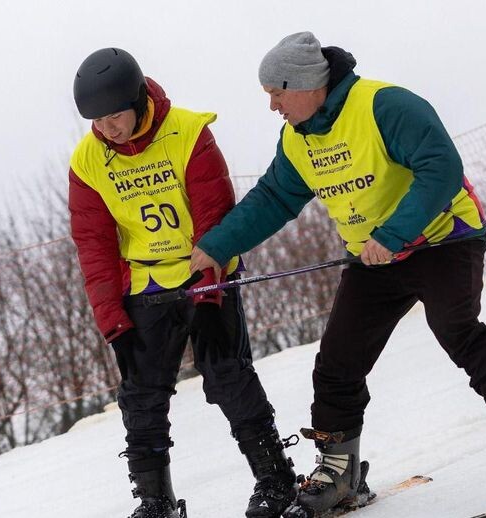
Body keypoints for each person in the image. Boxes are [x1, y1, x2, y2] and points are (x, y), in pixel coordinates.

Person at [190, 32, 486, 515]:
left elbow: (441, 168)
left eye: (276, 92)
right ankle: (339, 472)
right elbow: (273, 199)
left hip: (441, 237)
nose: (273, 105)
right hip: (372, 260)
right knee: (337, 361)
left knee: (456, 328)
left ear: (305, 84)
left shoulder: (384, 105)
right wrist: (215, 248)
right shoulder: (297, 139)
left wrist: (393, 236)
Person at [69, 48, 297, 518]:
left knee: (228, 376)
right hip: (146, 286)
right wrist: (112, 321)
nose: (108, 128)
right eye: (98, 120)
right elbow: (93, 245)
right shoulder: (87, 160)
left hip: (202, 269)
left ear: (138, 99)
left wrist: (209, 294)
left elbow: (213, 214)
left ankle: (277, 482)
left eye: (116, 116)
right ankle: (155, 502)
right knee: (141, 395)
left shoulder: (188, 131)